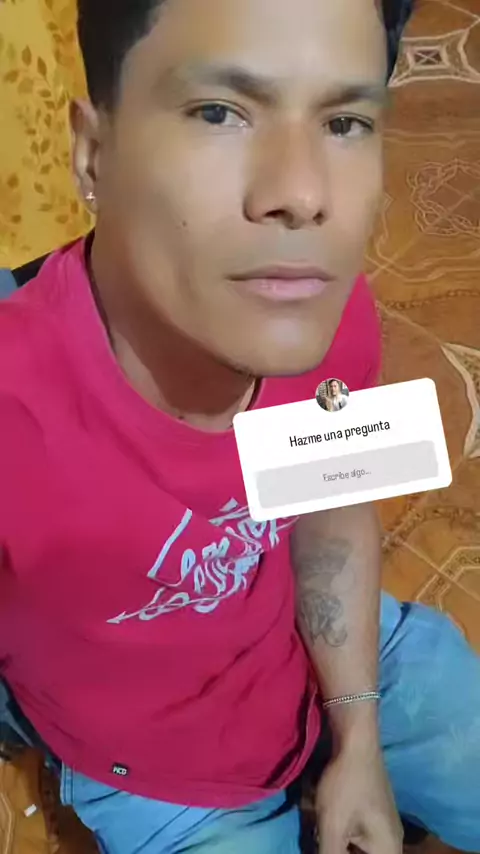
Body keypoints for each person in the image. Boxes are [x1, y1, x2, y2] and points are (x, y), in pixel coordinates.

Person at [0, 1, 479, 853]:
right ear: (93, 154)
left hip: (333, 654)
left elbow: (332, 502)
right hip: (149, 769)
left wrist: (358, 733)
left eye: (343, 121)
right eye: (219, 112)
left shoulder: (321, 307)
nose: (304, 195)